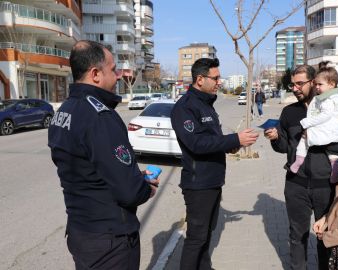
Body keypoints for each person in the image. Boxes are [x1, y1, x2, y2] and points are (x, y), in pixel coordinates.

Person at [48, 40, 159, 270]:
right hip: (109, 241)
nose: (119, 76)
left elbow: (89, 169)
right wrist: (147, 188)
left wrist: (132, 174)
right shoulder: (99, 117)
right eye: (113, 69)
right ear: (95, 74)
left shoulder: (64, 112)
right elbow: (129, 193)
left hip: (81, 232)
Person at [171, 58, 259, 270]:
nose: (220, 82)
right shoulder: (185, 107)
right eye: (216, 78)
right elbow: (196, 143)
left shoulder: (206, 104)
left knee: (205, 235)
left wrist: (229, 147)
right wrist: (234, 139)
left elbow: (211, 140)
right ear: (200, 79)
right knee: (195, 239)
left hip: (212, 181)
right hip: (198, 184)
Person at [264, 65, 338, 270]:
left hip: (327, 185)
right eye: (292, 84)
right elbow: (285, 147)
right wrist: (275, 139)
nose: (295, 88)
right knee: (297, 236)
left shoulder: (334, 108)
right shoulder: (289, 112)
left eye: (299, 84)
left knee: (326, 236)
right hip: (296, 185)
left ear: (314, 83)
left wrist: (315, 137)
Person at [290, 67, 338, 183]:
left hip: (323, 184)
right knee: (333, 153)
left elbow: (325, 115)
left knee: (304, 139)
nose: (317, 87)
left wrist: (306, 122)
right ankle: (335, 168)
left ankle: (299, 159)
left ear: (331, 85)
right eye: (316, 84)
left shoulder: (328, 99)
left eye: (320, 84)